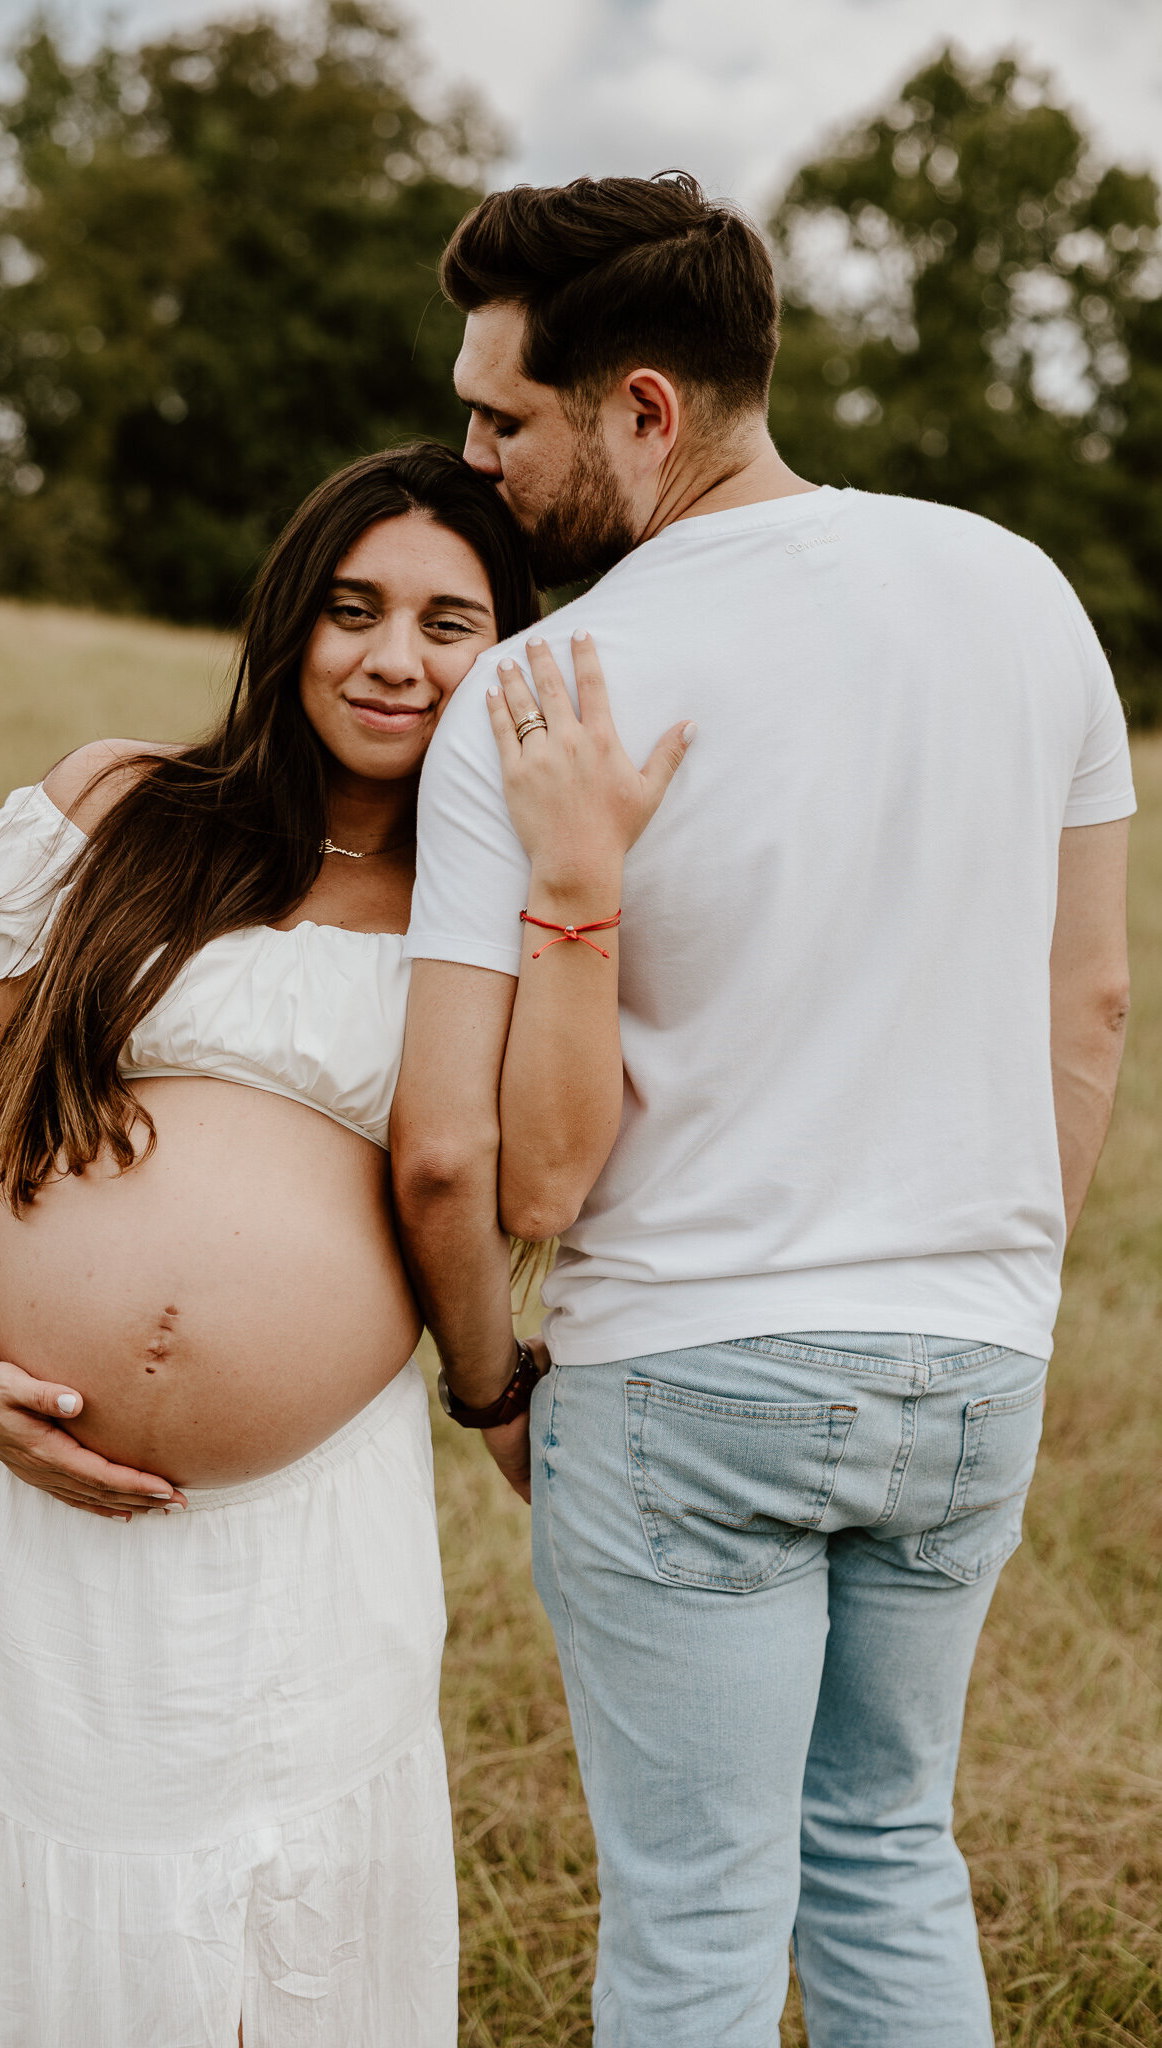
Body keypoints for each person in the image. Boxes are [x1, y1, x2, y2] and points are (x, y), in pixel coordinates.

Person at [392, 174, 1133, 2048]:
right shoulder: (1019, 591)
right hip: (969, 1367)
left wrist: (491, 1391)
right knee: (890, 1850)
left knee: (694, 1925)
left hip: (687, 1378)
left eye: (505, 418)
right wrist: (985, 1284)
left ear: (643, 408)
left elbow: (487, 1162)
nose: (473, 459)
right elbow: (1093, 1003)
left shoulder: (542, 694)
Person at [0, 439, 689, 2046]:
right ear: (285, 623)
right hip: (12, 1499)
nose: (391, 659)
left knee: (275, 1917)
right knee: (35, 1910)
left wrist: (575, 886)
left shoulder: (498, 906)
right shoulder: (123, 805)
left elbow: (544, 1182)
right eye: (351, 608)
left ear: (504, 650)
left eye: (448, 624)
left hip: (300, 1527)